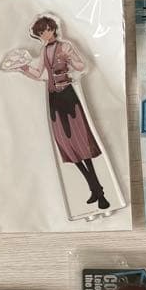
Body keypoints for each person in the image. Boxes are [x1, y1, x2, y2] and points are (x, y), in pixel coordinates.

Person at [10, 15, 111, 210]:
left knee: (80, 140)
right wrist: (23, 68)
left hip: (68, 96)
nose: (44, 34)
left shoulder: (65, 46)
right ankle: (96, 188)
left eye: (46, 30)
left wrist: (69, 59)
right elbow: (38, 73)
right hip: (53, 98)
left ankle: (98, 191)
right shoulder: (43, 50)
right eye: (41, 33)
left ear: (53, 29)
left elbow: (81, 66)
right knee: (65, 143)